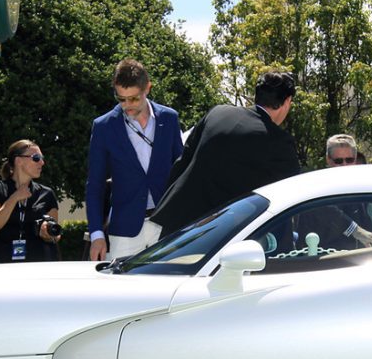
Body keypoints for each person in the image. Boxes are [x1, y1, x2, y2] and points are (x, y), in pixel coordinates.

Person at [151, 72, 301, 233]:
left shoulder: (218, 113)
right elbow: (289, 194)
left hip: (176, 221)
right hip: (221, 233)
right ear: (287, 102)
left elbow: (183, 161)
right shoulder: (279, 142)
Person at [85, 59, 184, 262]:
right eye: (121, 99)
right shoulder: (103, 127)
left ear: (147, 88)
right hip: (124, 230)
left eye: (134, 99)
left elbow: (182, 172)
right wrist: (96, 235)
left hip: (166, 225)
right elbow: (94, 184)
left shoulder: (169, 119)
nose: (127, 106)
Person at [0, 140, 61, 263]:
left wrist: (47, 233)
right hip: (7, 263)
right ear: (18, 160)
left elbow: (55, 236)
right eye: (36, 158)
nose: (42, 162)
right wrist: (14, 198)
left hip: (40, 263)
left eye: (42, 158)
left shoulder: (47, 193)